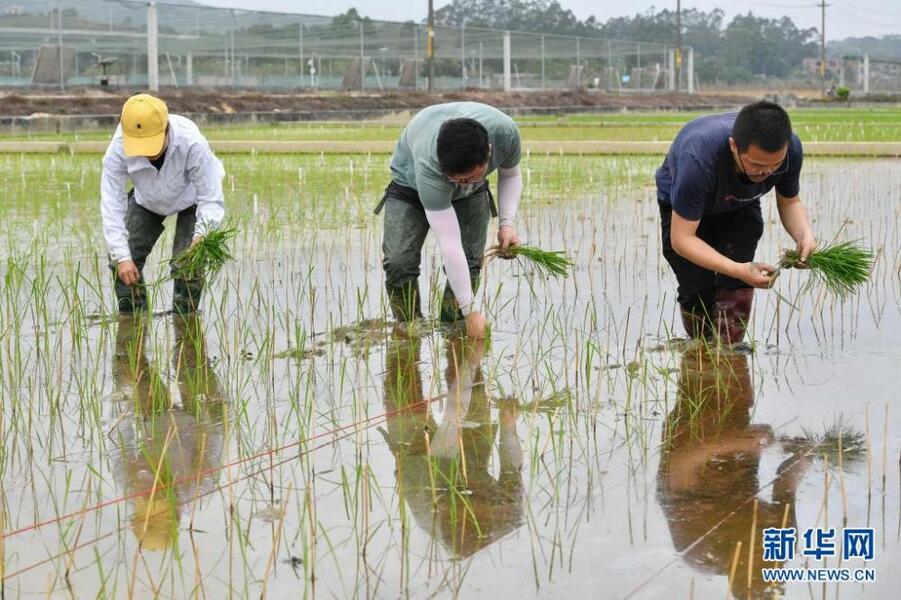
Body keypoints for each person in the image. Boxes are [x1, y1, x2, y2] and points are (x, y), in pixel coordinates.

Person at [656, 101, 816, 343]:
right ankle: (701, 352)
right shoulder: (698, 157)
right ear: (733, 146)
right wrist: (739, 269)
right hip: (684, 208)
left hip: (739, 202)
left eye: (776, 165)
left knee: (736, 283)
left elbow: (790, 201)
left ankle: (729, 353)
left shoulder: (791, 150)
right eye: (758, 165)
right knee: (697, 286)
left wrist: (804, 236)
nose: (767, 173)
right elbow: (682, 239)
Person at [376, 102, 524, 339]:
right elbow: (449, 243)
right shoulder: (429, 164)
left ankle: (453, 331)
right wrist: (472, 310)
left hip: (473, 195)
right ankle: (409, 329)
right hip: (410, 186)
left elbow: (511, 174)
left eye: (469, 178)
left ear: (488, 151)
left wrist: (507, 224)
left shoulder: (505, 133)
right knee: (398, 262)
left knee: (470, 260)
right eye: (457, 180)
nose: (460, 186)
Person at [101, 93, 226, 315]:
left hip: (191, 199)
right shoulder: (119, 147)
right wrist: (122, 257)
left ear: (166, 129)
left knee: (188, 264)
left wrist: (201, 235)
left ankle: (185, 324)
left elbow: (210, 197)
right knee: (120, 264)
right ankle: (134, 324)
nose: (147, 155)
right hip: (146, 199)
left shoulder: (192, 143)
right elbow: (112, 201)